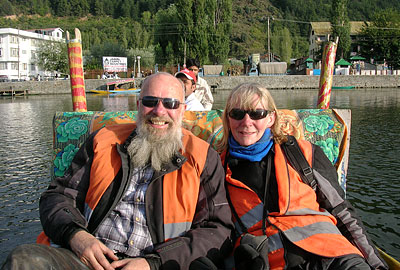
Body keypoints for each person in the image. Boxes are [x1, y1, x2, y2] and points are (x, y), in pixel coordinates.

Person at [2, 73, 233, 270]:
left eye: (170, 103)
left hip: (157, 264)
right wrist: (77, 237)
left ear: (182, 109)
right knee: (23, 261)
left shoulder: (202, 157)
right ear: (138, 105)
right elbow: (58, 196)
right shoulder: (103, 140)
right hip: (90, 259)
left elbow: (217, 229)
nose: (159, 111)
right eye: (150, 101)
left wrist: (152, 262)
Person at [219, 83, 388, 270]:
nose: (246, 122)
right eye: (237, 114)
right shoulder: (217, 168)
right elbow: (218, 228)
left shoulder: (302, 153)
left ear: (271, 118)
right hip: (272, 262)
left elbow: (342, 212)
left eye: (257, 114)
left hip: (333, 256)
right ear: (227, 119)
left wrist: (377, 264)